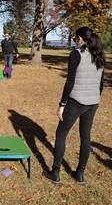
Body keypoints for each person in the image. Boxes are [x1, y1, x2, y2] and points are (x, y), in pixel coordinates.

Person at [43, 26, 106, 185]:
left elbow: (69, 82)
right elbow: (101, 83)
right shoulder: (99, 55)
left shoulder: (75, 54)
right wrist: (95, 97)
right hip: (93, 102)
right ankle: (80, 174)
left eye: (75, 38)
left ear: (79, 38)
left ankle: (55, 173)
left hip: (76, 101)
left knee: (61, 134)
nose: (74, 41)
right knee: (85, 137)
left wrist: (62, 104)